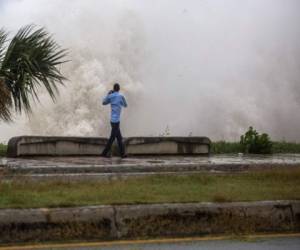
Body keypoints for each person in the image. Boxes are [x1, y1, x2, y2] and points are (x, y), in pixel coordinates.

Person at [101, 83, 128, 158]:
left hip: (112, 121)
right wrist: (120, 103)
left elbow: (103, 103)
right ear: (119, 89)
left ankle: (123, 154)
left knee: (119, 138)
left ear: (113, 89)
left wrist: (108, 94)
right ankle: (104, 153)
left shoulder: (111, 96)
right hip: (117, 121)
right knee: (112, 138)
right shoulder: (121, 96)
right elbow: (125, 105)